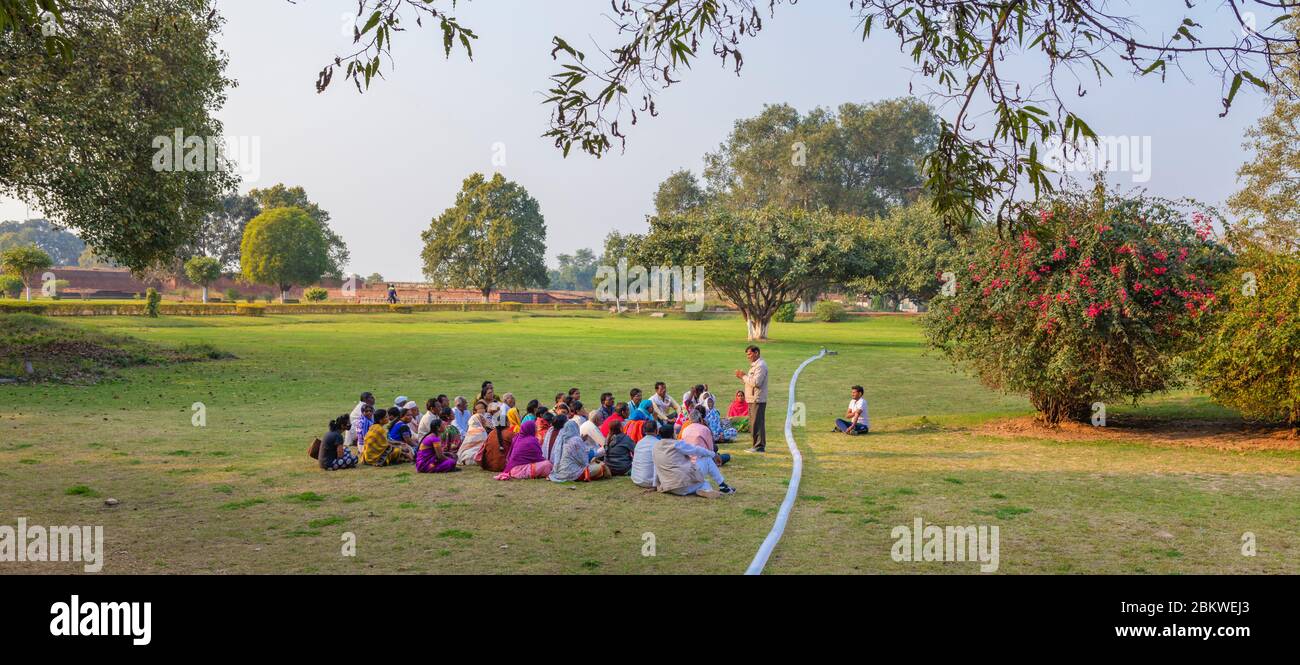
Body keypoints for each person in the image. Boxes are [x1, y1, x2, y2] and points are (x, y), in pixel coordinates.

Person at [651, 423, 735, 497]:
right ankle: (723, 487)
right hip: (683, 484)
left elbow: (656, 467)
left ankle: (706, 489)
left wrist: (655, 485)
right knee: (707, 459)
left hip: (669, 487)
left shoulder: (655, 447)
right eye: (674, 432)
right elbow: (697, 450)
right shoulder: (677, 444)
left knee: (703, 482)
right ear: (672, 434)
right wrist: (713, 454)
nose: (676, 433)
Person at [735, 344, 769, 453]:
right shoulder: (754, 366)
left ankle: (759, 446)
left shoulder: (761, 366)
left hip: (757, 399)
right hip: (751, 399)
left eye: (749, 354)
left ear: (756, 353)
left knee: (757, 423)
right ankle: (756, 445)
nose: (748, 356)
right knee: (753, 423)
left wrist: (743, 376)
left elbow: (756, 382)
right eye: (747, 355)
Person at [457, 400, 492, 466]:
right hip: (476, 455)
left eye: (483, 408)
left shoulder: (472, 428)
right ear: (474, 412)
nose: (482, 410)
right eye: (480, 409)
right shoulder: (480, 430)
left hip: (466, 456)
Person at [630, 423, 660, 489]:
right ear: (656, 430)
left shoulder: (639, 442)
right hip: (651, 482)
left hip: (636, 479)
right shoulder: (658, 443)